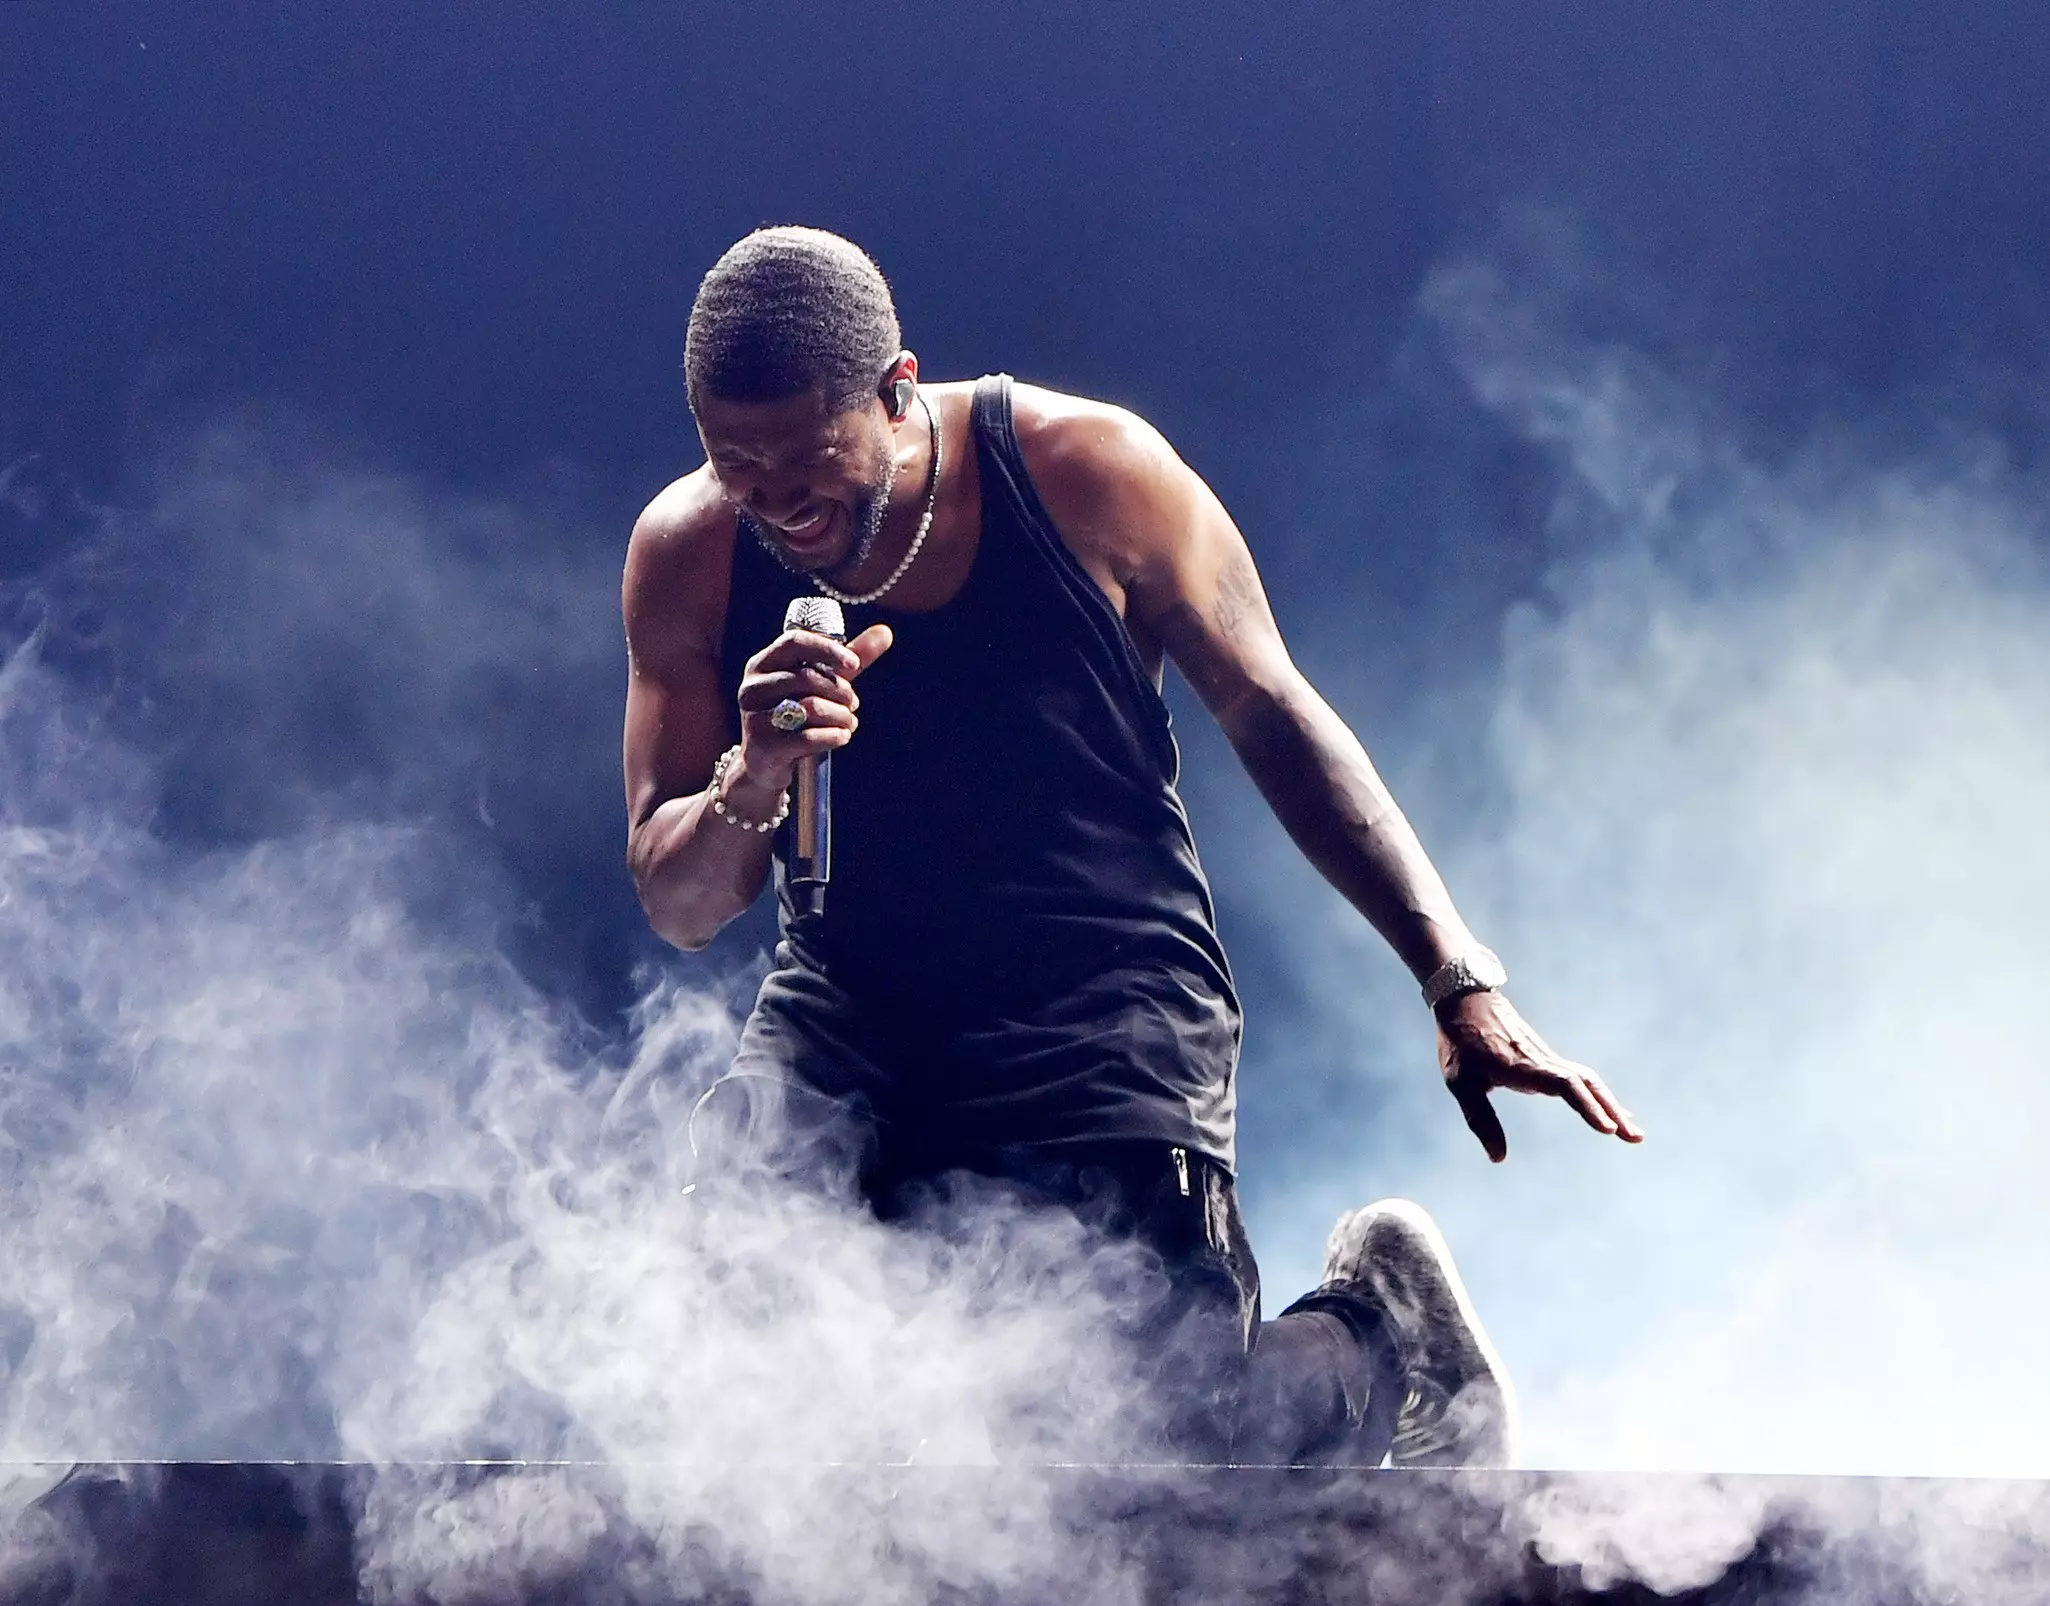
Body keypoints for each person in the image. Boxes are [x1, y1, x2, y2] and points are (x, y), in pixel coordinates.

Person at [622, 226, 1642, 1467]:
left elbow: (1275, 713)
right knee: (743, 1318)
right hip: (854, 1011)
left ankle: (1379, 1331)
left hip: (1102, 1004)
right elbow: (680, 902)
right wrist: (757, 768)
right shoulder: (686, 554)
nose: (778, 501)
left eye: (808, 458)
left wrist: (1455, 977)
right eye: (739, 464)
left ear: (896, 391)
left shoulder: (1085, 471)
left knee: (1146, 1461)